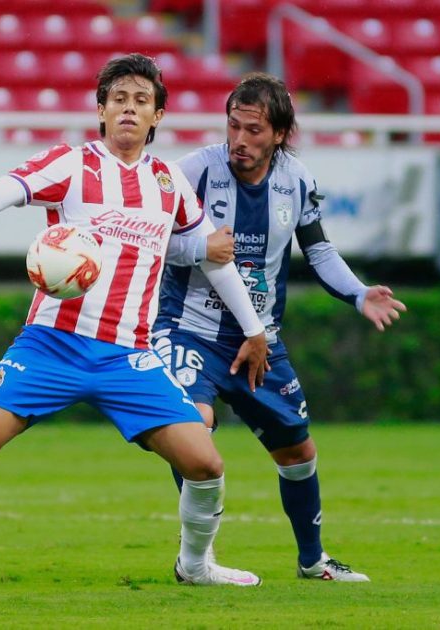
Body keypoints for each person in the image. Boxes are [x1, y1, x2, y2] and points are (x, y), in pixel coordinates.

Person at [0, 54, 271, 589]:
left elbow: (210, 256)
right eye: (119, 100)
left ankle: (196, 565)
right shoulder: (72, 165)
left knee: (205, 464)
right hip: (52, 344)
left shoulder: (168, 184)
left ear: (158, 115)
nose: (129, 110)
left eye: (141, 101)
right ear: (101, 110)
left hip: (129, 355)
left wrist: (253, 330)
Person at [154, 73, 406, 581]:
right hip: (187, 330)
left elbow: (319, 250)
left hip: (260, 339)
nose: (239, 141)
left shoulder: (298, 180)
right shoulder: (192, 172)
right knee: (193, 433)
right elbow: (152, 235)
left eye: (253, 131)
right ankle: (195, 561)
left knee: (298, 451)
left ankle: (312, 560)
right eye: (233, 127)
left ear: (280, 134)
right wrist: (201, 248)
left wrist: (358, 293)